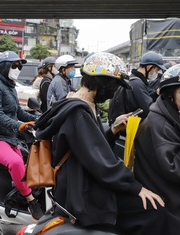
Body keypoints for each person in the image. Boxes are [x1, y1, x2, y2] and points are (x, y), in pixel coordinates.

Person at [35, 52, 172, 234]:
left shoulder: (82, 104)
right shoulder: (78, 113)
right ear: (103, 81)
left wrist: (114, 129)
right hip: (83, 193)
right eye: (115, 85)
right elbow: (100, 161)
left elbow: (92, 147)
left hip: (83, 184)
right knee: (154, 210)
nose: (114, 92)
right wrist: (135, 187)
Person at [0, 51, 42, 221]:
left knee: (27, 160)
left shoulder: (10, 87)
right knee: (14, 162)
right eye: (14, 65)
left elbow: (18, 112)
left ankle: (20, 193)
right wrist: (18, 125)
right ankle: (30, 200)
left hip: (9, 137)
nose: (17, 69)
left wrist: (37, 119)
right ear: (4, 67)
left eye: (19, 66)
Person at [134, 64, 180, 230]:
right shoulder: (160, 124)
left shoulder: (169, 116)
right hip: (168, 199)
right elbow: (173, 168)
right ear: (170, 95)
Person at [123, 51, 166, 119]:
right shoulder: (136, 83)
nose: (157, 73)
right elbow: (149, 108)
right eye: (157, 70)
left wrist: (156, 93)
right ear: (149, 67)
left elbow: (147, 93)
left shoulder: (136, 80)